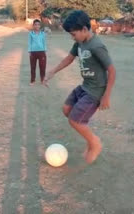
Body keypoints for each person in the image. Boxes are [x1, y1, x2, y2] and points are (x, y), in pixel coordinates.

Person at [43, 10, 116, 164]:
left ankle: (95, 144)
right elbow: (69, 58)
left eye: (73, 34)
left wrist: (106, 96)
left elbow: (112, 70)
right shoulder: (80, 43)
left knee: (75, 121)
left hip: (95, 92)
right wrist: (52, 71)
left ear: (84, 29)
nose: (72, 37)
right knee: (66, 110)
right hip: (85, 87)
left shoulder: (97, 46)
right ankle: (89, 137)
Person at [28, 19, 47, 86]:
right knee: (33, 67)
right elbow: (29, 43)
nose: (37, 26)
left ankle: (42, 80)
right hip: (33, 52)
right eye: (35, 24)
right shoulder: (31, 33)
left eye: (38, 25)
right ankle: (32, 80)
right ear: (33, 25)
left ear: (40, 26)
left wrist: (45, 50)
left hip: (41, 52)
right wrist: (29, 51)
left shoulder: (42, 33)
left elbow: (44, 42)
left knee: (42, 67)